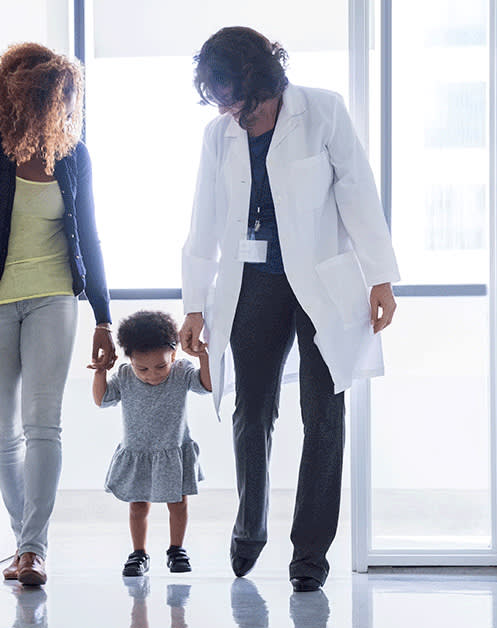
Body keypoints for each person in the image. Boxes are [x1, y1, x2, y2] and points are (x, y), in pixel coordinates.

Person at [178, 27, 400, 592]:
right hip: (251, 285)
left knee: (323, 416)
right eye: (218, 99)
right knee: (252, 411)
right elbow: (204, 217)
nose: (227, 110)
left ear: (260, 81)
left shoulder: (322, 112)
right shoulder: (216, 135)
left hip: (322, 284)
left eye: (233, 98)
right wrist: (195, 305)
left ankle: (310, 555)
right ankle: (250, 528)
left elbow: (358, 192)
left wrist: (380, 277)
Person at [0, 42, 116, 587]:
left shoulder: (73, 153)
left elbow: (90, 237)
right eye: (38, 96)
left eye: (58, 97)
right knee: (2, 429)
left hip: (54, 295)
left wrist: (103, 319)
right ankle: (22, 541)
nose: (49, 106)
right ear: (11, 92)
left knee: (43, 423)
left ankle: (33, 549)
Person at [92, 310, 211, 577]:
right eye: (142, 368)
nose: (152, 375)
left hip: (172, 450)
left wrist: (203, 357)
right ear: (130, 360)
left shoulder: (181, 372)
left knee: (178, 503)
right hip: (139, 453)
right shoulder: (124, 376)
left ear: (174, 356)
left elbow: (206, 386)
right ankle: (138, 553)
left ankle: (176, 549)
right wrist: (100, 372)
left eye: (161, 366)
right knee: (138, 506)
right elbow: (102, 399)